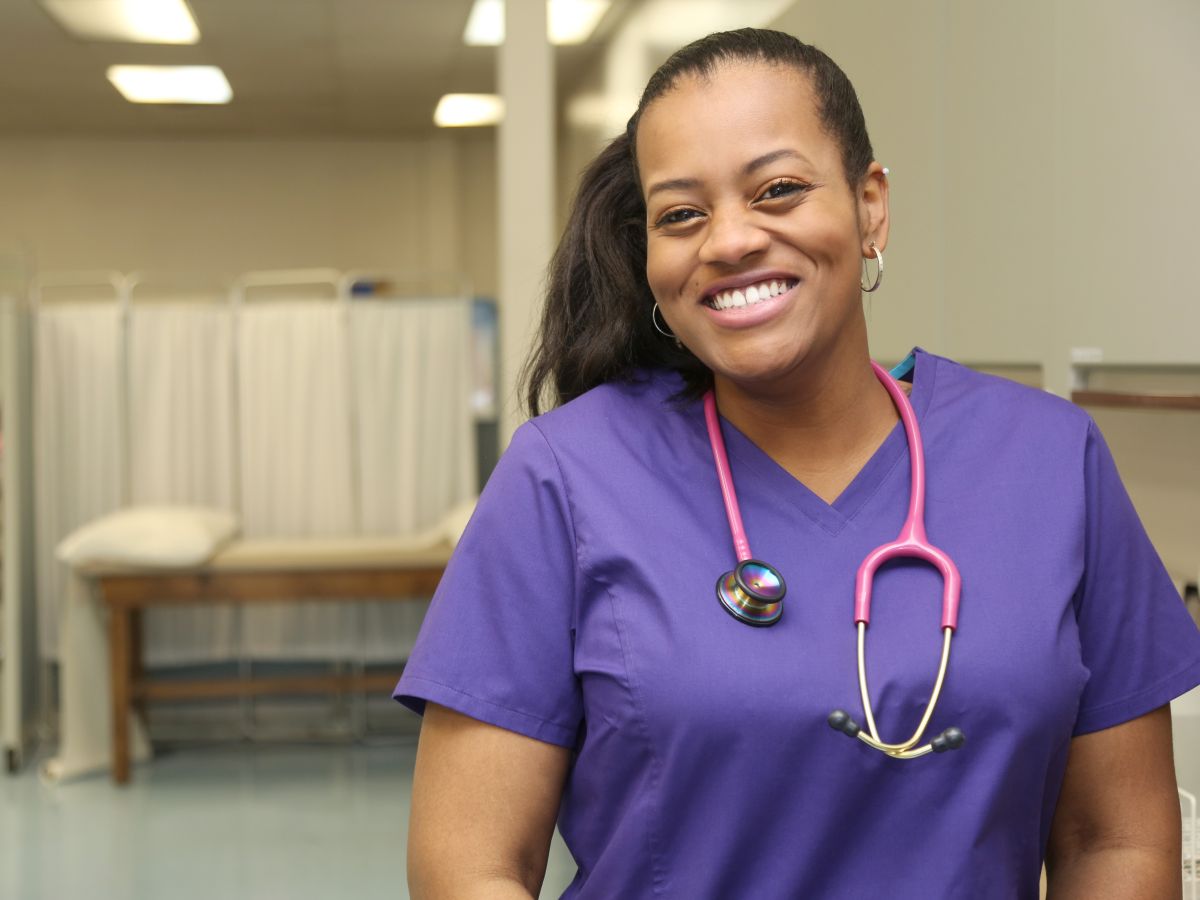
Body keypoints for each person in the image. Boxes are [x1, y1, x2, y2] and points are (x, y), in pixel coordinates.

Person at [396, 28, 1200, 899]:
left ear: (870, 207)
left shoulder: (1047, 460)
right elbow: (468, 866)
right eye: (681, 214)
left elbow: (1113, 841)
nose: (729, 241)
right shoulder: (565, 478)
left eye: (777, 190)